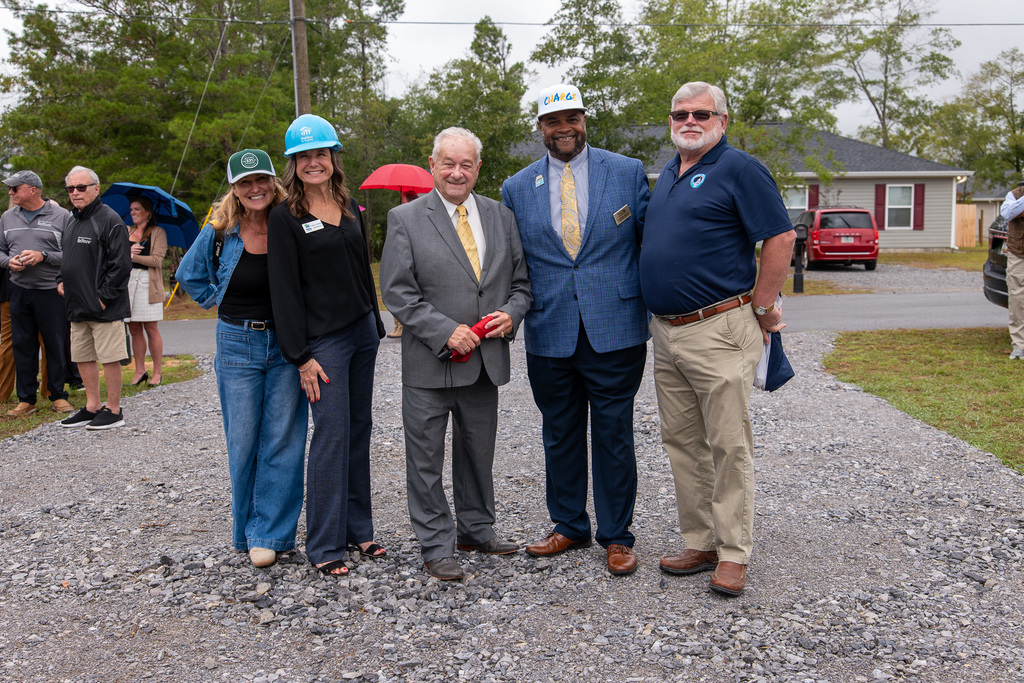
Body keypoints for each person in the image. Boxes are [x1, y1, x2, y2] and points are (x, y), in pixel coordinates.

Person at [640, 82, 795, 596]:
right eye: (680, 113)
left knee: (728, 444)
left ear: (722, 121)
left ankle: (733, 553)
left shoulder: (740, 169)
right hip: (667, 331)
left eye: (701, 113)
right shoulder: (669, 173)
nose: (689, 120)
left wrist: (764, 305)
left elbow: (781, 236)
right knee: (683, 442)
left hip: (720, 328)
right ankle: (701, 541)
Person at [500, 84, 650, 577]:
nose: (563, 128)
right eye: (553, 121)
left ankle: (617, 535)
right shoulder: (516, 188)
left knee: (613, 434)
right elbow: (512, 264)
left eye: (572, 118)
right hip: (550, 329)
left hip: (616, 328)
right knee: (559, 433)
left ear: (585, 120)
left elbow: (652, 243)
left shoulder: (626, 172)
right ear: (540, 128)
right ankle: (568, 524)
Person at [380, 127, 532, 581]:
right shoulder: (405, 219)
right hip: (430, 364)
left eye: (466, 164)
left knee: (477, 453)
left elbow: (521, 285)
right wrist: (446, 331)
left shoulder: (501, 216)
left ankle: (476, 529)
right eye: (448, 163)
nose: (457, 172)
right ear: (432, 165)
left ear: (478, 168)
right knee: (425, 461)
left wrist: (511, 314)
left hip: (485, 363)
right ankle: (436, 545)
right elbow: (398, 292)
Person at [267, 114, 387, 578]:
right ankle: (324, 543)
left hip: (362, 334)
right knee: (332, 434)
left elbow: (362, 269)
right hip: (323, 344)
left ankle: (359, 528)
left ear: (333, 158)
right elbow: (284, 291)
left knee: (359, 429)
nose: (313, 162)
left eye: (321, 153)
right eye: (304, 156)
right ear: (293, 164)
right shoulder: (285, 217)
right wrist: (300, 356)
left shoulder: (351, 206)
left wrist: (375, 321)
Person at [177, 149, 307, 568]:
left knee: (283, 438)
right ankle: (247, 531)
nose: (255, 189)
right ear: (234, 189)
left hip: (286, 344)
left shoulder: (291, 221)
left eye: (261, 180)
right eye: (245, 182)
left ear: (273, 182)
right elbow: (188, 274)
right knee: (244, 440)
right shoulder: (220, 231)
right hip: (237, 342)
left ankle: (271, 533)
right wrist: (219, 299)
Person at [57, 166, 132, 430]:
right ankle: (92, 406)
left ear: (96, 188)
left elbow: (121, 265)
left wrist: (103, 298)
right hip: (76, 304)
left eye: (81, 187)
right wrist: (60, 281)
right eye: (70, 188)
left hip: (104, 307)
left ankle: (114, 410)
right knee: (82, 355)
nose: (75, 193)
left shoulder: (110, 220)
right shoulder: (71, 220)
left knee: (109, 357)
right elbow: (67, 259)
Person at [0, 170, 74, 416]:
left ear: (32, 190)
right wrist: (8, 262)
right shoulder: (7, 217)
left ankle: (57, 395)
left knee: (55, 344)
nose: (10, 192)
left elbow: (72, 255)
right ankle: (26, 399)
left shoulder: (61, 216)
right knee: (22, 345)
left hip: (51, 291)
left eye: (15, 188)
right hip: (19, 290)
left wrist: (43, 256)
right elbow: (0, 251)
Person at [125, 196, 167, 386]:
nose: (133, 212)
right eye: (131, 209)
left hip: (148, 284)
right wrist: (126, 253)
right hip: (128, 284)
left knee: (151, 328)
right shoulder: (126, 231)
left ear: (147, 213)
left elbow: (156, 260)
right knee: (134, 329)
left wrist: (132, 257)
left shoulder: (158, 232)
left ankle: (157, 371)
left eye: (137, 209)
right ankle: (140, 370)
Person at [1000, 173, 1024, 360]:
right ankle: (1019, 346)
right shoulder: (1014, 195)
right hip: (1018, 253)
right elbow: (1008, 213)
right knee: (1017, 300)